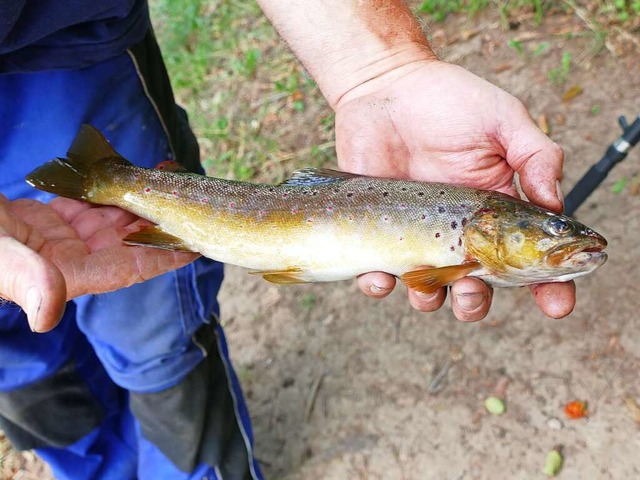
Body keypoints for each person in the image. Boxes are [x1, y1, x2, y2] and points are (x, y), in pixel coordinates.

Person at [0, 1, 574, 479]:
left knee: (148, 330)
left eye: (554, 234)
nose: (566, 242)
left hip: (66, 41)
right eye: (552, 233)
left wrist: (381, 67)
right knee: (21, 358)